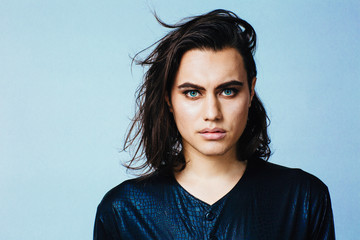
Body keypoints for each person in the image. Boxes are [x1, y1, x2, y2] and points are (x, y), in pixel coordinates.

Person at [94, 9, 335, 239]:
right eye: (192, 93)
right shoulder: (123, 210)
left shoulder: (303, 199)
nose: (212, 113)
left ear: (251, 92)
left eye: (228, 91)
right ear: (169, 99)